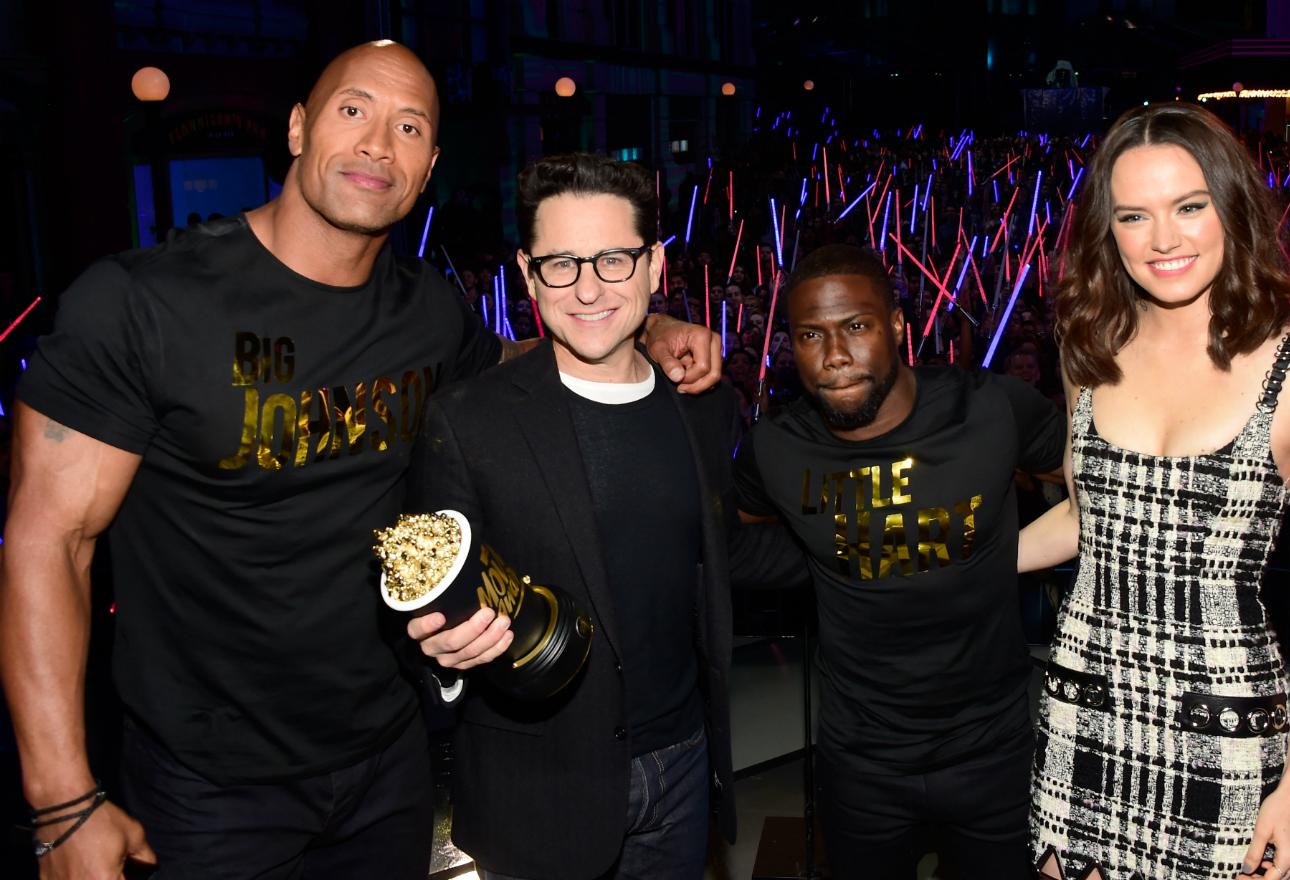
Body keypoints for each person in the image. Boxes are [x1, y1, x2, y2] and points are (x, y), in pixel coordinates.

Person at [0, 41, 718, 880]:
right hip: (211, 787)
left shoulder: (429, 311)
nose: (380, 143)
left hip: (390, 757)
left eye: (409, 127)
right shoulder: (141, 304)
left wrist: (649, 328)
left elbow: (529, 363)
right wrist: (62, 801)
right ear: (300, 129)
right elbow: (49, 541)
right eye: (354, 111)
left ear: (429, 168)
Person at [405, 153, 800, 879]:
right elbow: (437, 596)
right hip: (539, 784)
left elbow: (719, 552)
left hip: (683, 763)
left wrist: (862, 551)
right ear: (527, 275)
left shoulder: (704, 403)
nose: (587, 288)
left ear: (654, 268)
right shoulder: (466, 420)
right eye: (561, 264)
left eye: (614, 260)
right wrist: (445, 657)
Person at [1019, 103, 1290, 880]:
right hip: (1082, 708)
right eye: (1134, 216)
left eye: (1189, 207)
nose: (1164, 239)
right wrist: (953, 557)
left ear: (1231, 208)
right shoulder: (1089, 348)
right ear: (1110, 232)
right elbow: (1088, 519)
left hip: (1224, 727)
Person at [734, 244, 1066, 879]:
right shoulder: (776, 446)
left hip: (993, 753)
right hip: (861, 764)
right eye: (811, 335)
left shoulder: (990, 408)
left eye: (856, 327)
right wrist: (826, 560)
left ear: (896, 327)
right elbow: (742, 531)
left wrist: (1001, 556)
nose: (835, 356)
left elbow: (1099, 483)